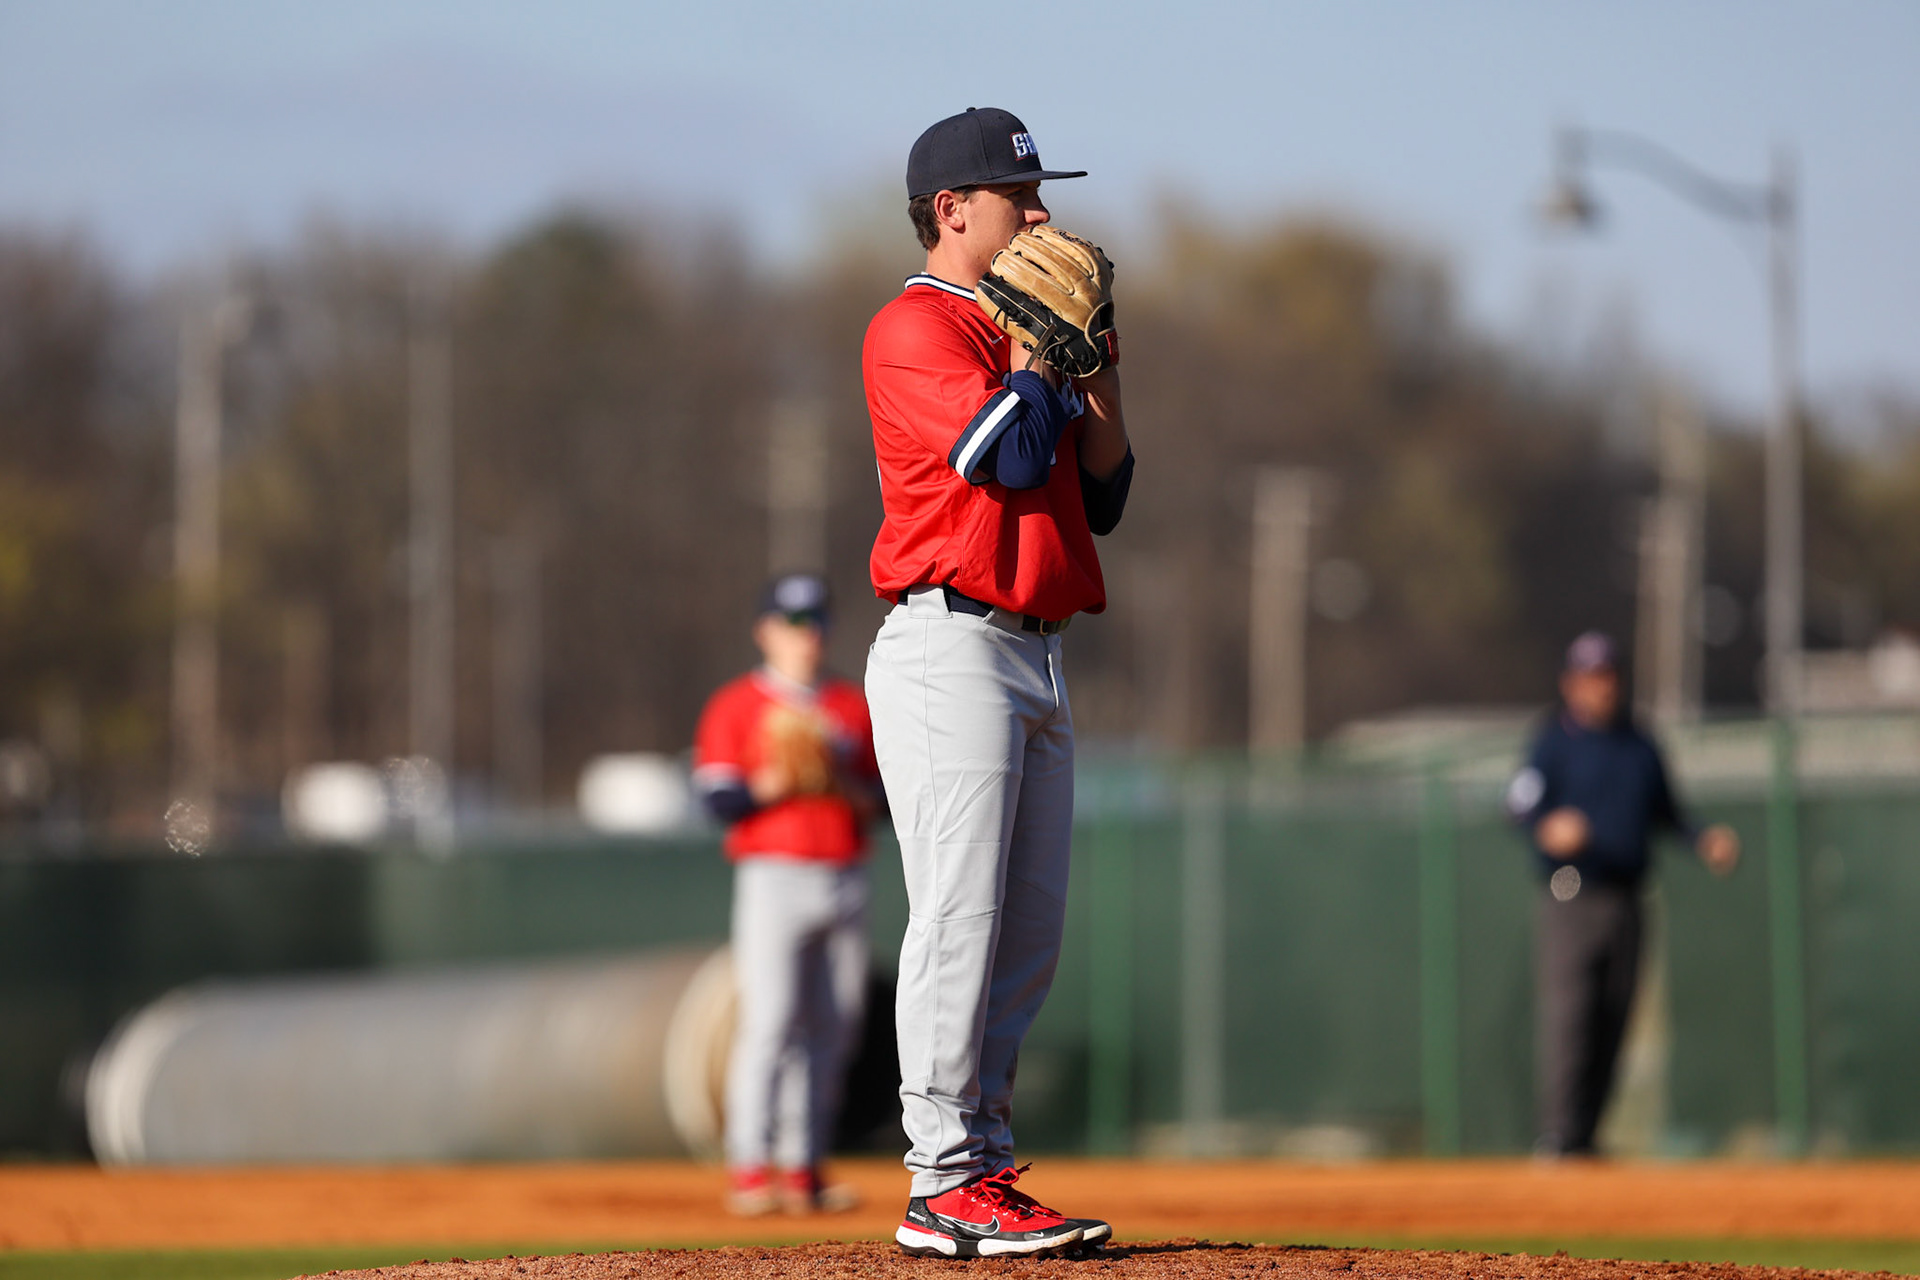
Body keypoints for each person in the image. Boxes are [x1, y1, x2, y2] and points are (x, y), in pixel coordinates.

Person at [861, 107, 1134, 1259]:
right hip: (950, 644)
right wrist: (1035, 353)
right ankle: (942, 1177)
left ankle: (983, 1158)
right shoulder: (914, 327)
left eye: (1039, 191)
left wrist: (1097, 361)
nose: (1040, 212)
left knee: (1025, 937)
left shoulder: (1034, 323)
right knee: (960, 919)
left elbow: (1105, 491)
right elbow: (1006, 460)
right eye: (1017, 195)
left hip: (1038, 648)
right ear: (951, 210)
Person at [1506, 630, 1740, 1157]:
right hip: (1570, 891)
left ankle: (1585, 1138)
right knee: (1571, 1017)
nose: (1601, 687)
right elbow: (1517, 805)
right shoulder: (1553, 741)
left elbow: (1669, 813)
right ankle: (1559, 1136)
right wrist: (1547, 825)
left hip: (1627, 897)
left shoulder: (1639, 743)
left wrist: (1703, 839)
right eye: (1590, 677)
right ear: (1570, 684)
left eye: (1608, 676)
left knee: (1615, 1018)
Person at [692, 572, 883, 1215]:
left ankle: (805, 1168)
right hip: (772, 874)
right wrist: (774, 782)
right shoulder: (736, 704)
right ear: (765, 631)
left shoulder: (849, 706)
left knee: (836, 1023)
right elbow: (717, 798)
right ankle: (750, 1166)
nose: (809, 635)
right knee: (770, 1021)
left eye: (817, 621)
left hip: (845, 872)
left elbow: (885, 801)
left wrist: (840, 783)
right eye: (796, 623)